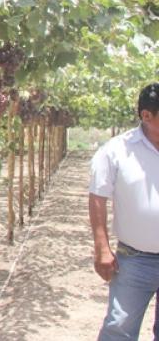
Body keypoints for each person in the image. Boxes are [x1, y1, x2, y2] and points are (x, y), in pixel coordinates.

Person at [89, 82, 159, 340]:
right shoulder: (117, 150)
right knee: (119, 328)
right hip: (134, 260)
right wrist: (102, 248)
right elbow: (98, 196)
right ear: (146, 115)